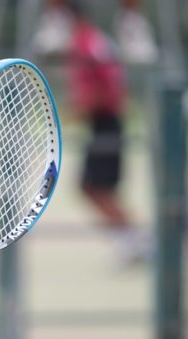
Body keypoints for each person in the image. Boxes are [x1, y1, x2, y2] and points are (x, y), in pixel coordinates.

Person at [63, 0, 149, 265]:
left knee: (93, 187)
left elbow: (109, 86)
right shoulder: (88, 41)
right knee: (95, 188)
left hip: (106, 122)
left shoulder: (87, 42)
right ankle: (133, 241)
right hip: (103, 122)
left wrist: (82, 108)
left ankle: (138, 242)